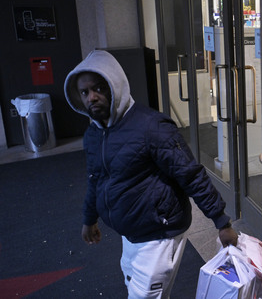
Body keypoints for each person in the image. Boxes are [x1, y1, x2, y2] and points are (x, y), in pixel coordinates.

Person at [64, 49, 238, 298]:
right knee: (135, 285)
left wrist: (221, 222)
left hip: (159, 234)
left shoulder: (152, 127)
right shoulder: (94, 135)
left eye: (99, 88)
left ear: (115, 86)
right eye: (85, 92)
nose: (92, 97)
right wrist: (89, 218)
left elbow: (190, 174)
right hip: (129, 233)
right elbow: (96, 179)